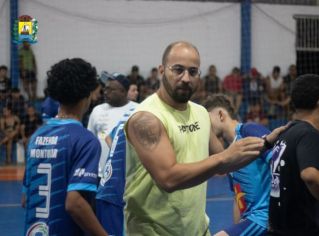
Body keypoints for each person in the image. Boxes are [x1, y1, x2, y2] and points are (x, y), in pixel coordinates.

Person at [123, 41, 281, 235]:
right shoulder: (147, 118)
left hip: (196, 230)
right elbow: (168, 178)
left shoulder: (200, 114)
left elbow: (225, 164)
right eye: (178, 70)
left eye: (193, 71)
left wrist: (265, 144)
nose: (186, 78)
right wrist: (224, 158)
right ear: (162, 70)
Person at [23, 58, 107, 236]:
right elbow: (75, 203)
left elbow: (25, 199)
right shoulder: (85, 140)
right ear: (88, 95)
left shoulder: (37, 136)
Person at [267, 74, 319, 235]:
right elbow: (310, 175)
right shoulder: (309, 134)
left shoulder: (285, 133)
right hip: (304, 229)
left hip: (281, 227)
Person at [204, 94, 274, 236]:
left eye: (207, 120)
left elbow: (281, 164)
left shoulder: (249, 131)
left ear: (221, 115)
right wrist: (238, 226)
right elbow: (238, 198)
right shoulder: (230, 154)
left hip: (264, 218)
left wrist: (280, 212)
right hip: (250, 221)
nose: (207, 127)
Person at [87, 73, 137, 178]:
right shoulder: (97, 110)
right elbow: (90, 141)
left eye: (111, 90)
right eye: (105, 89)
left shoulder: (138, 110)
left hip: (128, 175)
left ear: (123, 91)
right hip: (100, 175)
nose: (105, 92)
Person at [96, 106, 136, 236]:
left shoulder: (131, 114)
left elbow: (108, 137)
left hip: (106, 186)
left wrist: (117, 153)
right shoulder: (143, 118)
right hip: (117, 191)